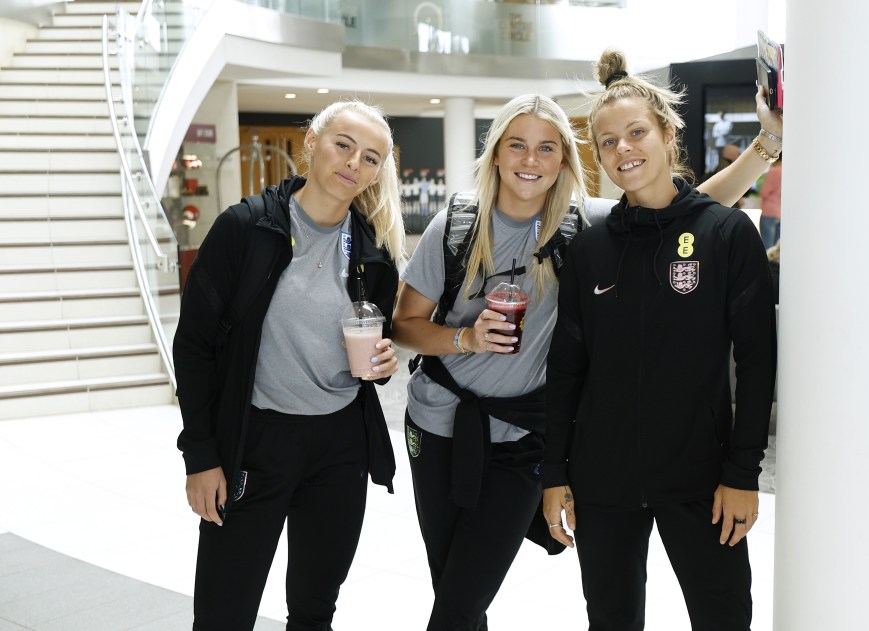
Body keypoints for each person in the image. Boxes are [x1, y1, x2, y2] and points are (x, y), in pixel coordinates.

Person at [392, 87, 780, 630]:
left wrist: (768, 144)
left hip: (572, 445)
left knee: (462, 596)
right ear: (497, 151)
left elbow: (681, 214)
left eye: (548, 147)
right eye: (518, 145)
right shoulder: (488, 228)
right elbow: (407, 325)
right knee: (456, 590)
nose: (531, 160)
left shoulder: (583, 225)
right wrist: (467, 340)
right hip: (466, 433)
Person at [542, 48, 778, 631]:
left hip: (703, 478)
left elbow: (757, 361)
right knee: (612, 620)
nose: (624, 149)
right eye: (607, 141)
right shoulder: (590, 248)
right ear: (596, 153)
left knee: (723, 617)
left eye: (637, 133)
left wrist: (743, 472)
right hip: (603, 482)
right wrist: (554, 474)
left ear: (668, 134)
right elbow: (567, 369)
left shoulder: (725, 235)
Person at [173, 100, 406, 631]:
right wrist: (201, 456)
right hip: (257, 439)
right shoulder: (245, 228)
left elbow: (376, 347)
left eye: (370, 158)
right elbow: (193, 346)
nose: (353, 164)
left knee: (314, 607)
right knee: (223, 610)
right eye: (343, 145)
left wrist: (383, 364)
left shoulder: (374, 249)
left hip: (339, 447)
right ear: (312, 143)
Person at [760, 153, 783, 249]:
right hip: (780, 212)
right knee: (776, 248)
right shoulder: (786, 171)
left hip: (769, 212)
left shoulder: (774, 171)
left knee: (767, 246)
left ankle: (766, 265)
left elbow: (764, 192)